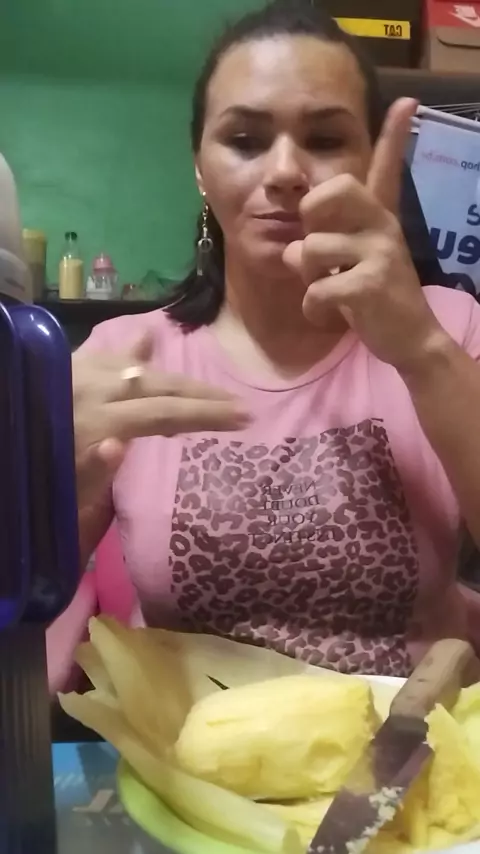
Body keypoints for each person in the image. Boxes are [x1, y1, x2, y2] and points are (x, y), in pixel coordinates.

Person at [53, 0, 480, 685]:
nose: (284, 170)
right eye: (246, 140)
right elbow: (25, 595)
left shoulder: (452, 328)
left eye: (325, 138)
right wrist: (35, 484)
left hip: (411, 744)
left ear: (373, 157)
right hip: (187, 747)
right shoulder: (125, 356)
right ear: (199, 166)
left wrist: (422, 352)